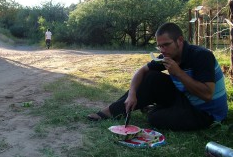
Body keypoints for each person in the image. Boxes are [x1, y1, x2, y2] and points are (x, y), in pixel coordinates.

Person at [87, 22, 228, 131]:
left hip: (206, 113)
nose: (163, 50)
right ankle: (110, 111)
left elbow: (207, 95)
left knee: (155, 119)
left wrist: (178, 72)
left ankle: (155, 109)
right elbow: (141, 71)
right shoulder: (167, 55)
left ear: (180, 40)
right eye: (159, 46)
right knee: (151, 76)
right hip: (185, 99)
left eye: (166, 45)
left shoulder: (201, 56)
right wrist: (132, 94)